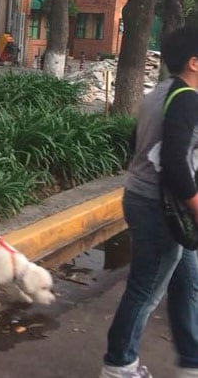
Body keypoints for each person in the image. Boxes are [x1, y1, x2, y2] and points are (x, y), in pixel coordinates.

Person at [100, 26, 198, 378]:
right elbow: (173, 162)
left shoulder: (159, 93)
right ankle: (119, 364)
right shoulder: (187, 98)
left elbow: (136, 142)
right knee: (146, 288)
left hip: (146, 198)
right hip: (162, 207)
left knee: (188, 279)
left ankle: (192, 360)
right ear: (194, 62)